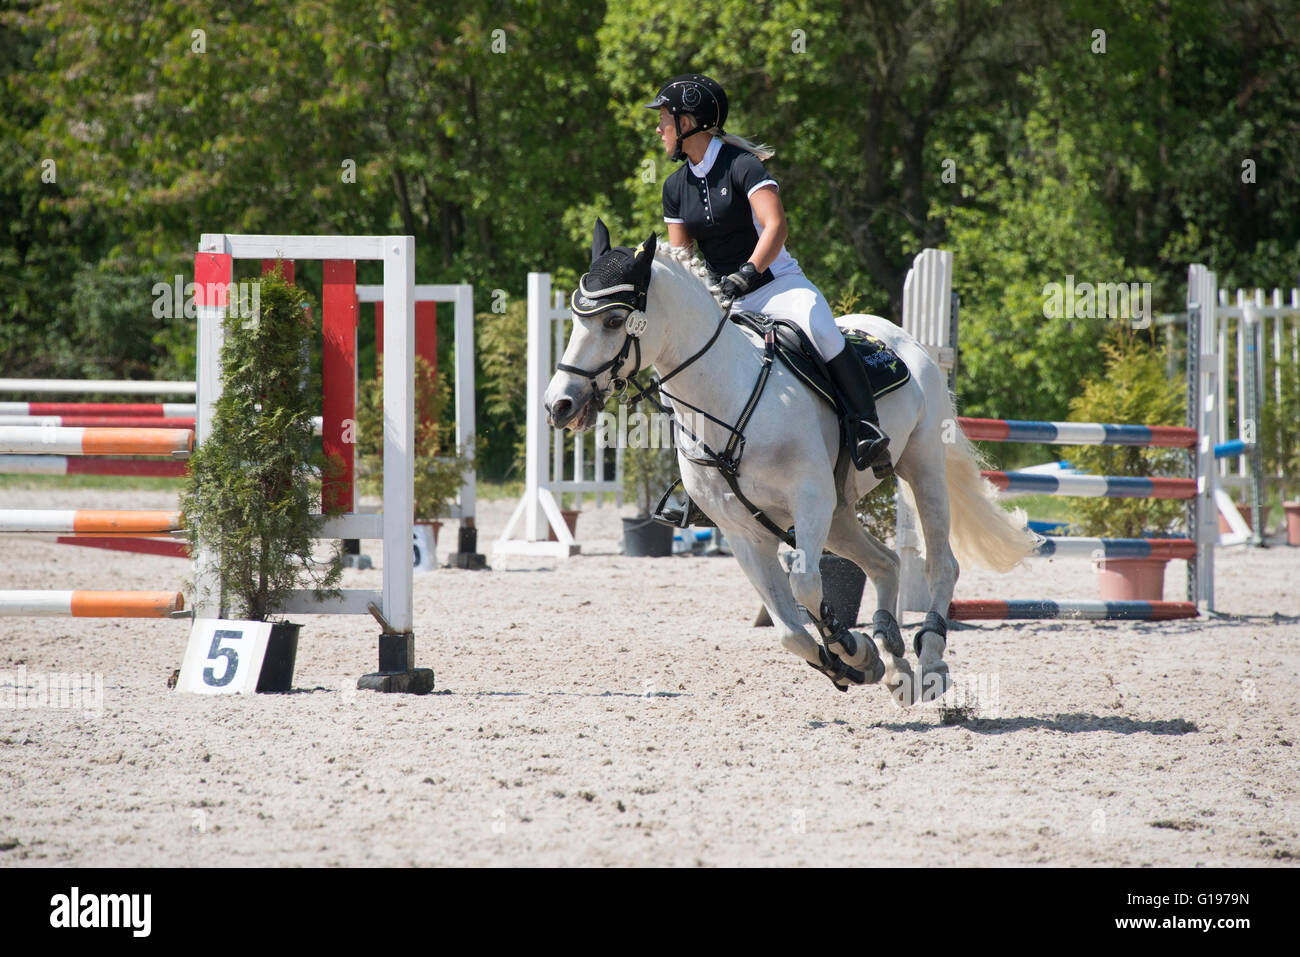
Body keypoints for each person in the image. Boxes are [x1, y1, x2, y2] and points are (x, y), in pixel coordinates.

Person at [646, 74, 892, 486]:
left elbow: (776, 226)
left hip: (776, 285)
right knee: (681, 362)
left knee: (821, 329)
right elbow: (685, 258)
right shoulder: (674, 187)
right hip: (725, 299)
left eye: (665, 119)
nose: (659, 128)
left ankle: (866, 429)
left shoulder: (743, 166)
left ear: (688, 122)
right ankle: (698, 482)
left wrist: (747, 273)